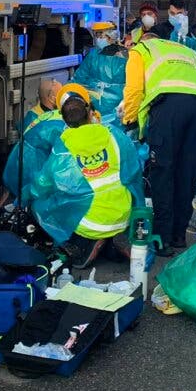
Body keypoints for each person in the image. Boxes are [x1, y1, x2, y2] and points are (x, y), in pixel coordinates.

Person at [29, 85, 143, 269]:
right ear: (90, 112)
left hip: (91, 223)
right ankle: (112, 243)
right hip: (123, 216)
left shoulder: (63, 148)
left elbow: (43, 185)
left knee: (42, 205)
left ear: (63, 119)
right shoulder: (114, 135)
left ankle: (87, 243)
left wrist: (29, 193)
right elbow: (134, 171)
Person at [121, 34, 196, 255]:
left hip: (169, 107)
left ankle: (162, 239)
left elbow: (133, 90)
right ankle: (179, 235)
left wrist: (129, 120)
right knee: (187, 172)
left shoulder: (141, 50)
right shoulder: (185, 50)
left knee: (162, 172)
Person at [72, 22, 128, 128]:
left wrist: (126, 102)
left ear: (111, 36)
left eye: (100, 35)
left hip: (116, 110)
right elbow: (79, 78)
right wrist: (68, 94)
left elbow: (133, 84)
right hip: (93, 109)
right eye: (96, 35)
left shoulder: (126, 56)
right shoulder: (93, 55)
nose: (98, 39)